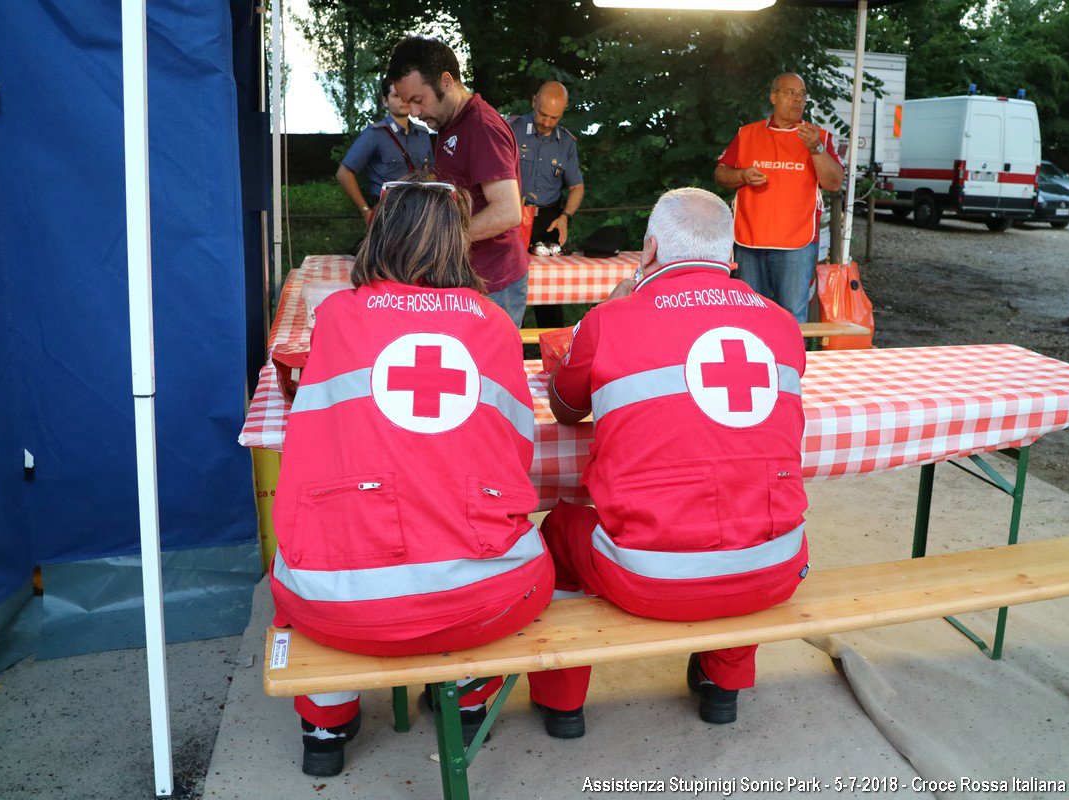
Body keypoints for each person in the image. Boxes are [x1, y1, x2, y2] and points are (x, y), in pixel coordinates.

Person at [269, 176, 555, 776]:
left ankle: (325, 723)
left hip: (338, 606)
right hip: (482, 598)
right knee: (529, 550)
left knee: (313, 551)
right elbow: (518, 450)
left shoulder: (337, 317)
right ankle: (471, 694)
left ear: (379, 236)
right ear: (457, 244)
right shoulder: (493, 324)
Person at [526, 188, 810, 739]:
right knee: (747, 508)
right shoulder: (781, 323)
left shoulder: (614, 320)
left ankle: (563, 703)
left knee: (561, 528)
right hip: (777, 571)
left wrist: (606, 311)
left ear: (650, 250)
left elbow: (565, 409)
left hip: (646, 578)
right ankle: (723, 687)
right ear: (731, 257)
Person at [387, 37, 530, 326]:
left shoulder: (482, 127)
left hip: (493, 283)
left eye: (418, 100)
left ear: (446, 81)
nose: (413, 113)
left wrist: (440, 240)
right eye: (407, 102)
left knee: (487, 369)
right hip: (466, 274)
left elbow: (508, 212)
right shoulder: (452, 123)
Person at [715, 73, 844, 322]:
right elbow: (720, 174)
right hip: (749, 241)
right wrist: (742, 176)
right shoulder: (748, 134)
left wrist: (816, 149)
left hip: (797, 243)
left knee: (792, 316)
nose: (797, 99)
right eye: (790, 93)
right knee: (749, 314)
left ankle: (792, 362)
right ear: (773, 97)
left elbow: (834, 182)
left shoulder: (817, 137)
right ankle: (754, 362)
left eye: (802, 94)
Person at [509, 81, 585, 328]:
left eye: (554, 117)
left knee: (551, 302)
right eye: (542, 114)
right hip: (511, 218)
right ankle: (505, 346)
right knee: (507, 288)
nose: (547, 122)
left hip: (547, 221)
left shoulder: (567, 143)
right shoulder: (510, 130)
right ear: (533, 102)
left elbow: (576, 188)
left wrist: (566, 217)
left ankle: (551, 356)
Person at [336, 76, 434, 226]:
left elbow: (432, 175)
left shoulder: (422, 134)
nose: (403, 100)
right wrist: (365, 211)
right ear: (385, 101)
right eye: (396, 95)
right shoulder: (375, 134)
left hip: (421, 216)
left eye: (405, 94)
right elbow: (344, 174)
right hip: (388, 216)